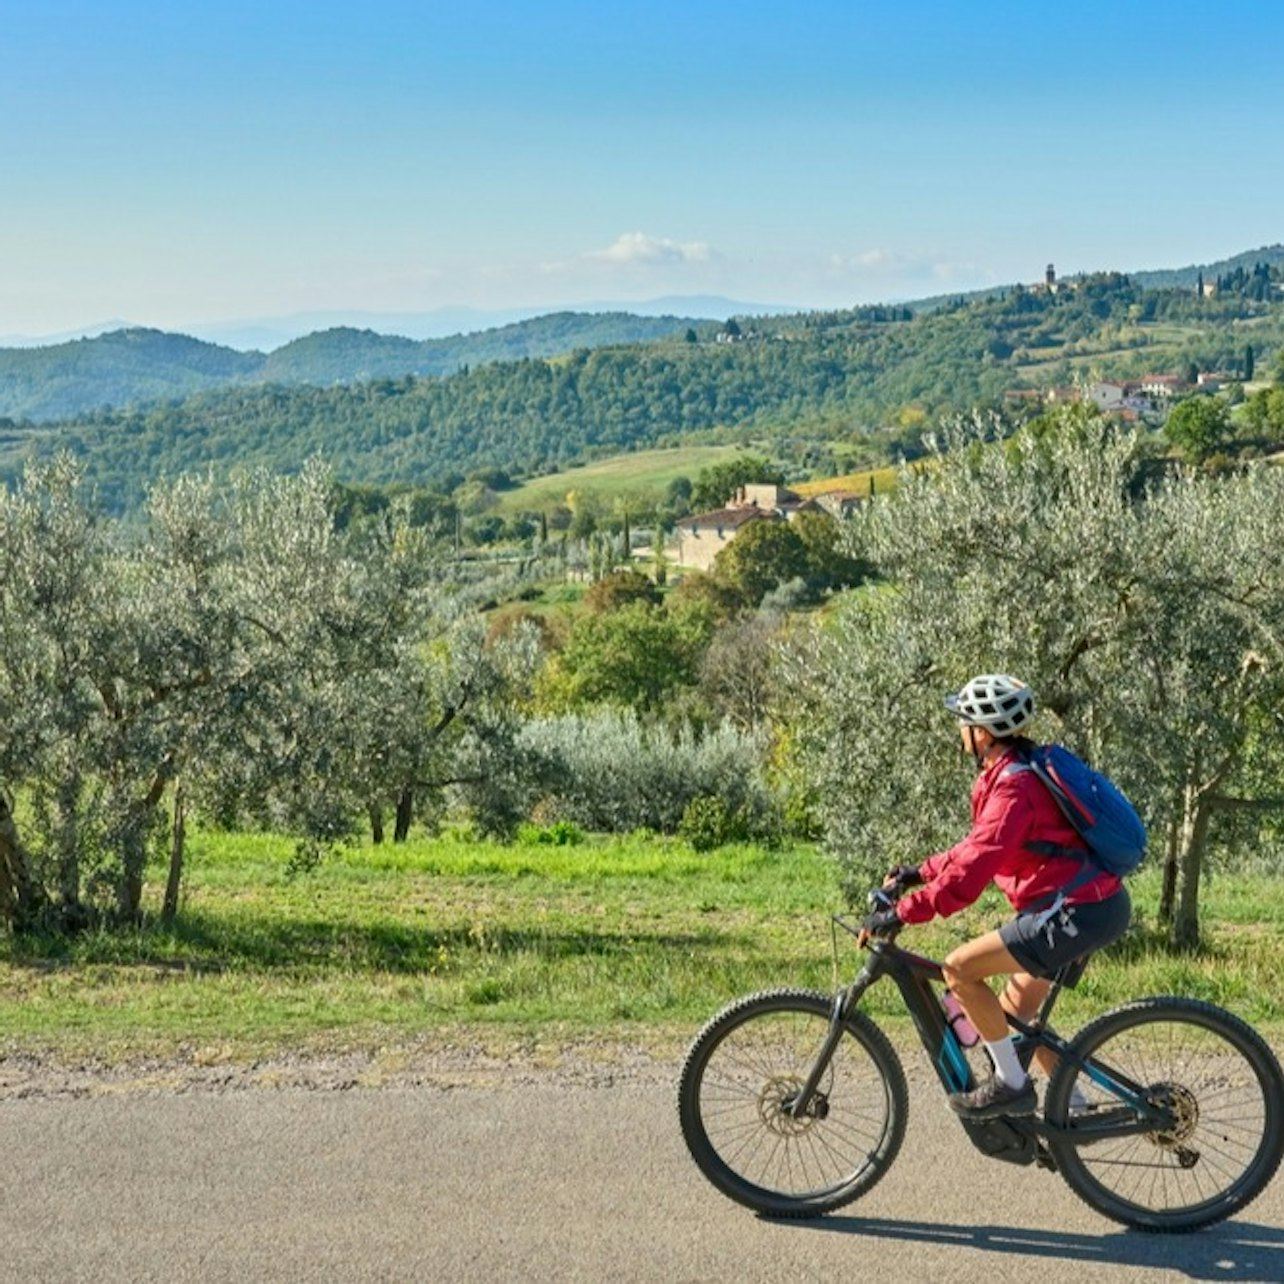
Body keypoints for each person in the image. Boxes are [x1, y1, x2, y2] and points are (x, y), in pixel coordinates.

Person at [861, 674, 1132, 1119]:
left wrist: (905, 912)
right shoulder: (1013, 774)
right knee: (1014, 1017)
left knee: (959, 969)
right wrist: (919, 871)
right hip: (1086, 905)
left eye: (963, 722)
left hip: (1076, 912)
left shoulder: (1014, 787)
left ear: (982, 733)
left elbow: (973, 870)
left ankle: (1011, 1086)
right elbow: (975, 848)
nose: (959, 732)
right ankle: (1077, 1112)